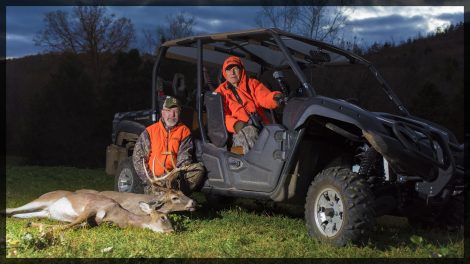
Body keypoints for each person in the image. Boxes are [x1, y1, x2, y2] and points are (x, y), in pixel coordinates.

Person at [133, 96, 205, 195]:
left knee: (198, 169)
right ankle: (172, 197)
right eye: (168, 110)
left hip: (173, 179)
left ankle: (177, 194)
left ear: (180, 112)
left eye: (176, 111)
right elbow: (138, 158)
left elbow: (184, 159)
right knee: (157, 196)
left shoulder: (184, 131)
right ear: (162, 112)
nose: (172, 114)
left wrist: (174, 177)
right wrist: (149, 180)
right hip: (154, 180)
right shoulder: (150, 131)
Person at [215, 56, 284, 154]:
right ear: (224, 73)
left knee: (280, 134)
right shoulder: (220, 92)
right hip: (237, 132)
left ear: (241, 70)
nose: (232, 72)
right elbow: (220, 117)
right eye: (228, 69)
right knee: (250, 132)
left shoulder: (252, 84)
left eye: (235, 68)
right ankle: (257, 164)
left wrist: (275, 98)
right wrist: (236, 124)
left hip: (260, 125)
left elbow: (264, 97)